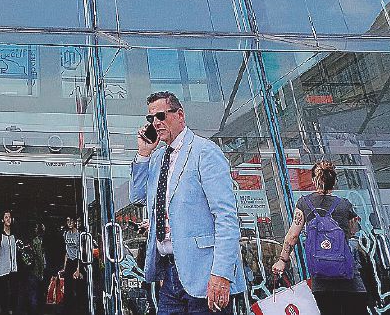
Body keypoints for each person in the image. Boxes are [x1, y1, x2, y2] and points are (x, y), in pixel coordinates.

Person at [131, 91, 245, 314]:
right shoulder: (157, 158)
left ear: (180, 114)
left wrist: (221, 274)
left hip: (206, 275)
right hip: (170, 275)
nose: (156, 123)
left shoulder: (205, 152)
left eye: (161, 116)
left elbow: (226, 217)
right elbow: (137, 197)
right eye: (151, 118)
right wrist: (144, 154)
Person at [271, 160, 365, 315]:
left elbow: (292, 236)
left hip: (321, 278)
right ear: (334, 181)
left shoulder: (304, 203)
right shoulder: (344, 204)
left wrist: (282, 260)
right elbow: (352, 232)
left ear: (314, 180)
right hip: (349, 277)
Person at [0, 211, 20, 315]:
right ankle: (3, 311)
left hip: (13, 268)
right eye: (6, 217)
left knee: (13, 292)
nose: (8, 219)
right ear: (2, 220)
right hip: (2, 269)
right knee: (3, 293)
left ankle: (12, 311)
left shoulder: (15, 235)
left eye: (9, 217)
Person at [19, 223, 47, 315]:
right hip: (36, 271)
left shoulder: (28, 239)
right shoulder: (37, 241)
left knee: (31, 293)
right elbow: (39, 257)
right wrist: (41, 272)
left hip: (29, 270)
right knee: (35, 294)